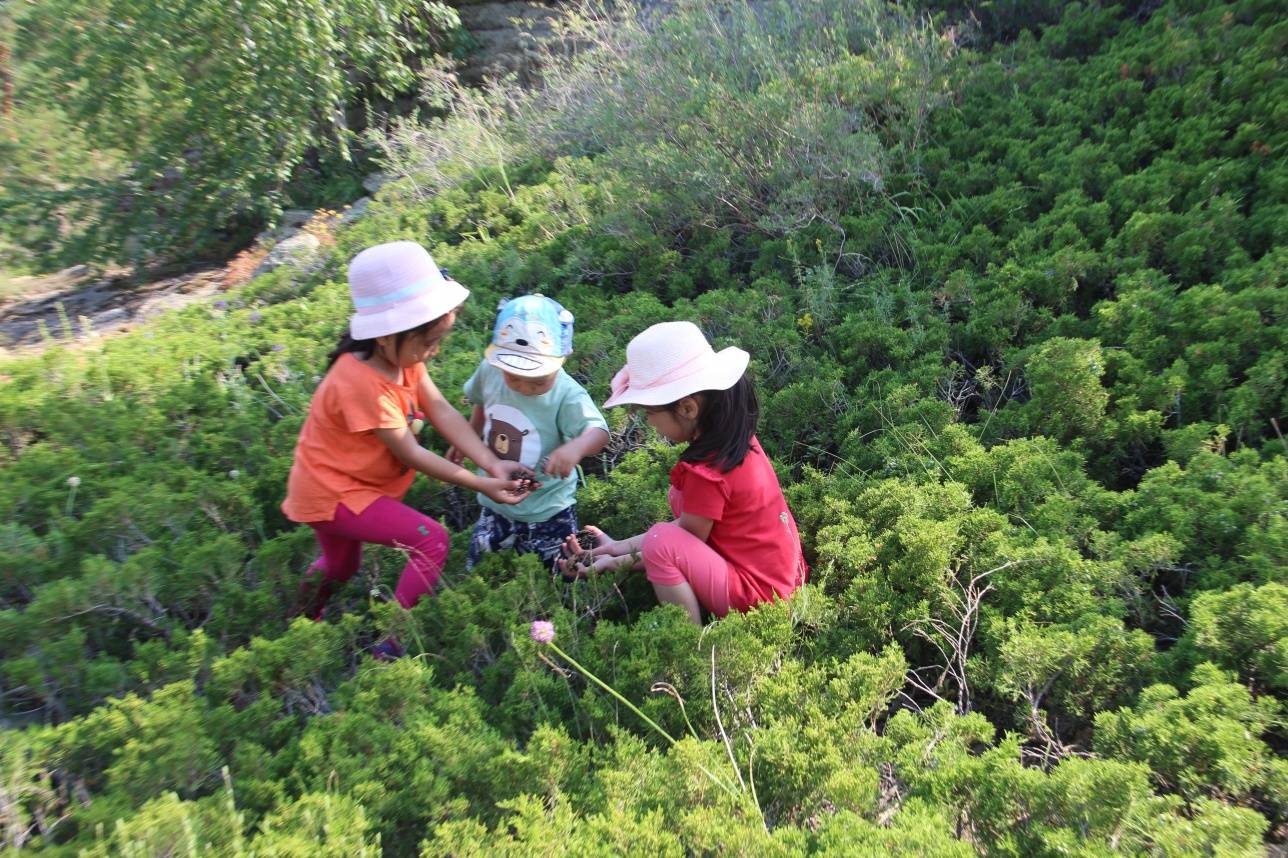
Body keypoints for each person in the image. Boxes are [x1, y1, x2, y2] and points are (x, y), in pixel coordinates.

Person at [282, 241, 531, 654]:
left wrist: (490, 463)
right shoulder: (360, 381)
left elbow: (441, 410)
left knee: (342, 566)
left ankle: (301, 623)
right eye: (428, 341)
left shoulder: (403, 356)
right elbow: (410, 454)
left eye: (439, 339)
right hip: (332, 492)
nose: (432, 351)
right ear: (386, 336)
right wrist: (480, 483)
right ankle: (392, 643)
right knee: (430, 540)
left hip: (338, 483)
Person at [560, 321, 807, 624]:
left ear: (688, 409)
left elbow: (672, 543)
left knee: (661, 543)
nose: (650, 422)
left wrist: (615, 563)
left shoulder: (707, 474)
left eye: (650, 413)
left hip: (761, 601)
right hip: (784, 583)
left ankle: (691, 647)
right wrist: (613, 548)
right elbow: (685, 532)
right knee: (664, 535)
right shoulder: (738, 442)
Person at [447, 295, 609, 573]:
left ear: (561, 361)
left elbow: (599, 432)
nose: (524, 386)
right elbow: (481, 405)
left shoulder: (566, 393)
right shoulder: (491, 370)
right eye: (514, 376)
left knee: (561, 573)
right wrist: (467, 440)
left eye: (538, 379)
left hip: (550, 507)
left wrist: (576, 447)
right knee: (481, 572)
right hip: (494, 500)